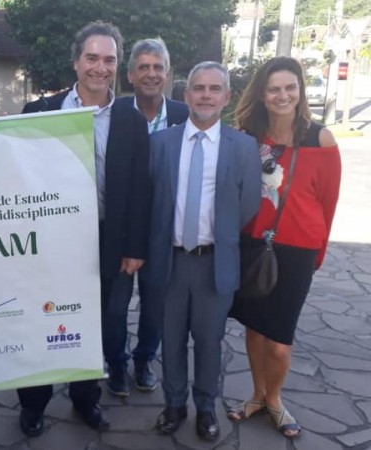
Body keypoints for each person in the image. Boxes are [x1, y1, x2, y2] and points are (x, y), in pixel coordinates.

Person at [16, 21, 151, 436]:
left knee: (92, 326)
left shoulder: (131, 119)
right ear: (76, 61)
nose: (100, 67)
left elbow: (140, 189)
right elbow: (15, 179)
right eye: (91, 58)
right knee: (40, 321)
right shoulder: (40, 112)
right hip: (48, 243)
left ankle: (84, 398)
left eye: (109, 59)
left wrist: (134, 246)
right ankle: (33, 405)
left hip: (105, 241)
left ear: (117, 66)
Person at [145, 61, 261, 441]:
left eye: (214, 89)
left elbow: (248, 206)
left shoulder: (242, 147)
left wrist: (219, 237)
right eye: (198, 88)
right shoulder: (161, 143)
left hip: (215, 263)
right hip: (170, 262)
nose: (206, 95)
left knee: (209, 342)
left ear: (226, 97)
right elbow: (151, 200)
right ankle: (174, 404)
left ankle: (206, 407)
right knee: (172, 338)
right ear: (186, 95)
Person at [227, 56, 341, 439]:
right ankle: (257, 395)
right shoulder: (247, 135)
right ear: (262, 93)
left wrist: (318, 253)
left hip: (297, 252)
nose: (283, 95)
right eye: (274, 88)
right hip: (252, 244)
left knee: (279, 340)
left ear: (300, 91)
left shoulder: (319, 139)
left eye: (290, 87)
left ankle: (274, 399)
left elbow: (328, 202)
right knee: (255, 329)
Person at [105, 37, 189, 396]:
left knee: (156, 306)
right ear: (130, 75)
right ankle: (117, 365)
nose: (151, 74)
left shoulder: (185, 117)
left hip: (166, 232)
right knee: (115, 306)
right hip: (122, 230)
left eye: (158, 67)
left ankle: (143, 360)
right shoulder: (116, 114)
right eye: (144, 67)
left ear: (168, 74)